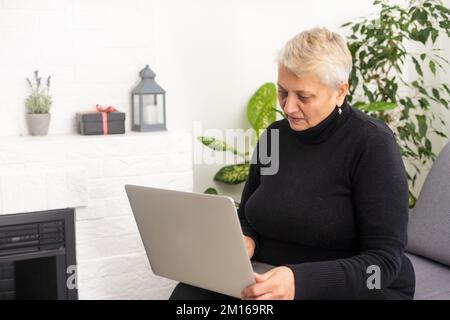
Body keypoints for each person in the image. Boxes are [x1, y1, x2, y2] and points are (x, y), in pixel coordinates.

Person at [170, 26, 415, 300]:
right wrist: (245, 240)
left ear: (340, 92)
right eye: (282, 92)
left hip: (352, 287)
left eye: (304, 96)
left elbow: (384, 264)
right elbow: (248, 216)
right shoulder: (275, 136)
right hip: (270, 274)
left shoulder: (371, 143)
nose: (288, 107)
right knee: (189, 296)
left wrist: (300, 281)